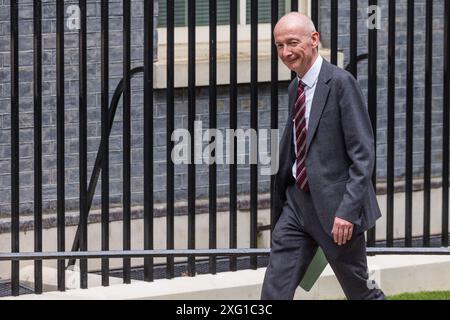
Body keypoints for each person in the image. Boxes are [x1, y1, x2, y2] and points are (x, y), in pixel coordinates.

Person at [261, 12, 386, 300]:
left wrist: (347, 211)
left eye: (292, 42)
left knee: (360, 292)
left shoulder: (342, 83)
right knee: (274, 292)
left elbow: (362, 154)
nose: (286, 52)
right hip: (296, 206)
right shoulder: (296, 87)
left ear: (314, 40)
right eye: (279, 45)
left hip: (336, 211)